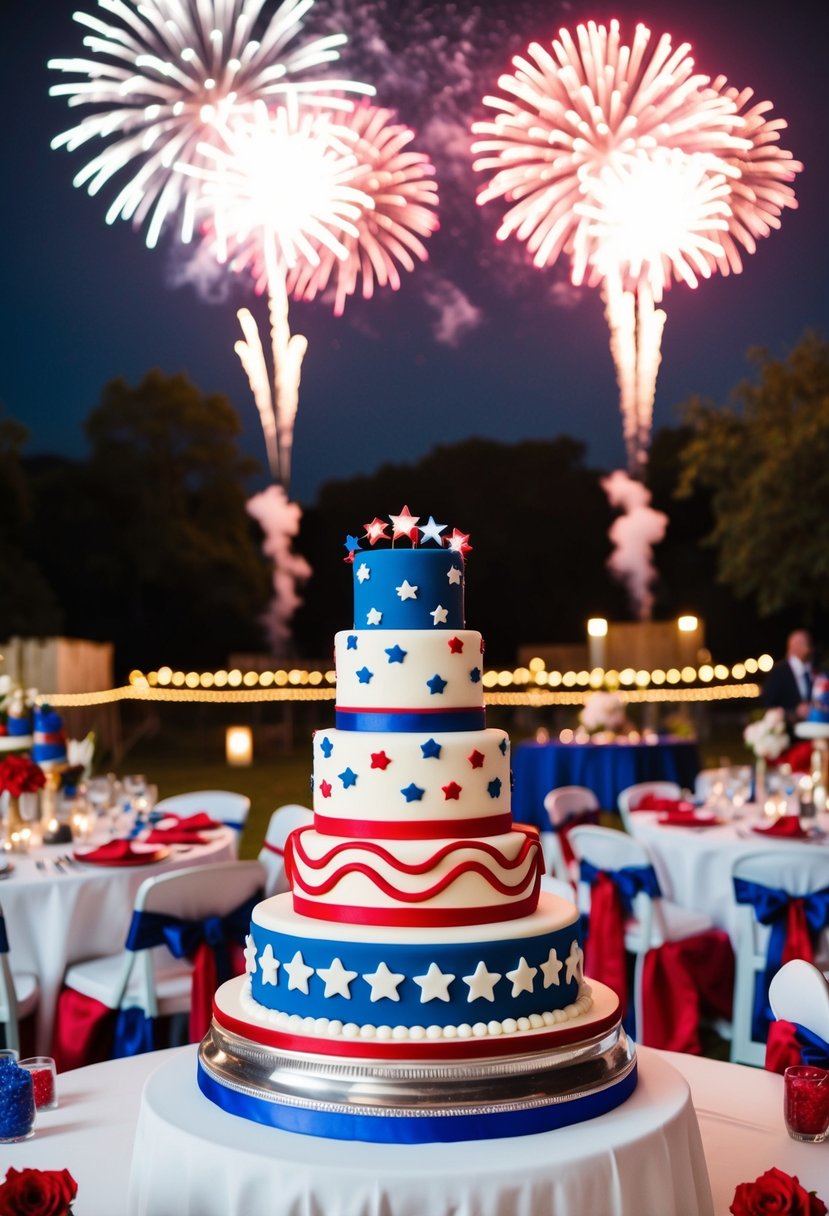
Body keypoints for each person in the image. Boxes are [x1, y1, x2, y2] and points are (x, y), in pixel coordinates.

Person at [761, 629, 814, 736]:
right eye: (804, 643)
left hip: (814, 732)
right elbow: (768, 704)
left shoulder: (814, 669)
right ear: (793, 646)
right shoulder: (779, 671)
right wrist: (794, 712)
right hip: (789, 735)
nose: (808, 647)